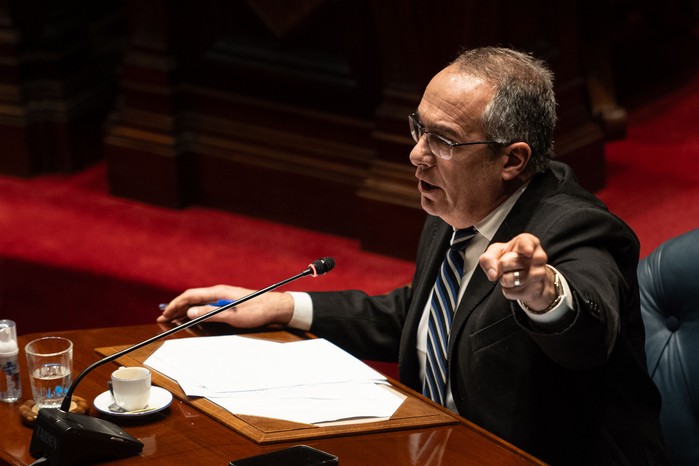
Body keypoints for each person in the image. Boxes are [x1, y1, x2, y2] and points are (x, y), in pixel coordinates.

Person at [158, 47, 671, 465]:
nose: (416, 154)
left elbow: (587, 334)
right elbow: (430, 316)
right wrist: (280, 307)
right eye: (419, 128)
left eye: (444, 140)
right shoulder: (457, 205)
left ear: (512, 160)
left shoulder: (578, 229)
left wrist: (541, 295)